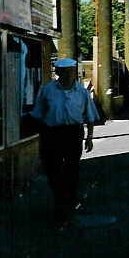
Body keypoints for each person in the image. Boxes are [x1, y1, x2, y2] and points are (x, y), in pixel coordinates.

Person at [30, 57, 99, 227]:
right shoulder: (47, 91)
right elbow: (38, 114)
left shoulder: (82, 92)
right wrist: (41, 139)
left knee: (71, 171)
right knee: (53, 171)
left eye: (71, 72)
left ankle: (66, 206)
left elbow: (90, 116)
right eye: (65, 72)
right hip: (52, 133)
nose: (69, 75)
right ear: (58, 73)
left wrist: (90, 137)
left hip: (73, 133)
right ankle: (60, 201)